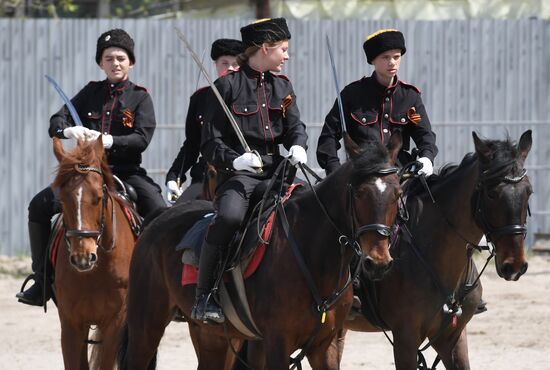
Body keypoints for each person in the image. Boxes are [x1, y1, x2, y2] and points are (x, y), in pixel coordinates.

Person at [16, 28, 165, 306]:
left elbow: (141, 138)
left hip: (124, 171)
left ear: (131, 62)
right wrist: (69, 131)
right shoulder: (89, 92)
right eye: (108, 58)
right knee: (38, 205)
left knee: (159, 210)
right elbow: (56, 119)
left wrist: (107, 140)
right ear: (101, 63)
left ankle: (158, 282)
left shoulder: (140, 97)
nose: (115, 63)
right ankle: (42, 279)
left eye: (121, 58)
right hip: (86, 173)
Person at [191, 18, 308, 323]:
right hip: (239, 176)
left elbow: (295, 126)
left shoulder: (283, 86)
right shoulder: (226, 87)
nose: (286, 55)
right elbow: (209, 143)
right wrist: (235, 160)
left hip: (278, 173)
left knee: (314, 210)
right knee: (229, 217)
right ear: (265, 48)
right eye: (283, 49)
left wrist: (298, 145)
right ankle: (206, 295)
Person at [316, 29, 438, 176]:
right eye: (385, 57)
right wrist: (335, 171)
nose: (392, 62)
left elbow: (425, 135)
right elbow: (328, 137)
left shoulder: (410, 96)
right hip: (362, 175)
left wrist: (427, 158)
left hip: (400, 174)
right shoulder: (352, 94)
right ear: (373, 60)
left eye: (396, 56)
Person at [165, 38, 245, 203]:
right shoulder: (200, 98)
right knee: (174, 216)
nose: (230, 68)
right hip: (206, 175)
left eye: (236, 64)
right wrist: (174, 175)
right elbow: (192, 144)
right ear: (215, 64)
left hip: (242, 174)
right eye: (224, 63)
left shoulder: (251, 98)